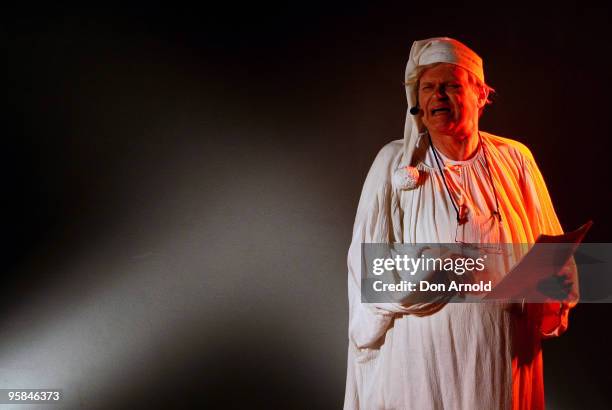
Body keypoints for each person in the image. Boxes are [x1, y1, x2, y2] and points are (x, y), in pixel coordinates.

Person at [344, 37, 576, 410]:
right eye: (428, 88)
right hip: (422, 364)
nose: (438, 96)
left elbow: (553, 254)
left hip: (499, 362)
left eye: (451, 85)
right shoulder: (392, 164)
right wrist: (428, 276)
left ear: (481, 95)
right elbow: (364, 273)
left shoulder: (515, 160)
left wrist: (555, 288)